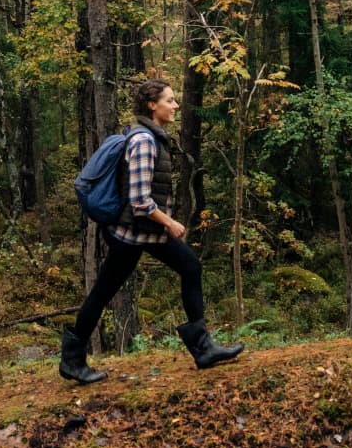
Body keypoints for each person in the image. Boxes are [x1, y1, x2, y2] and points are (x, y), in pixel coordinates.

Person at [60, 79, 243, 383]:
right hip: (131, 235)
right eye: (169, 100)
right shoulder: (144, 141)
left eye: (175, 100)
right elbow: (140, 200)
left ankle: (203, 348)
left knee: (189, 268)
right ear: (151, 105)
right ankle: (72, 360)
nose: (175, 106)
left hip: (142, 233)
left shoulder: (153, 137)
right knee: (104, 292)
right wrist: (169, 222)